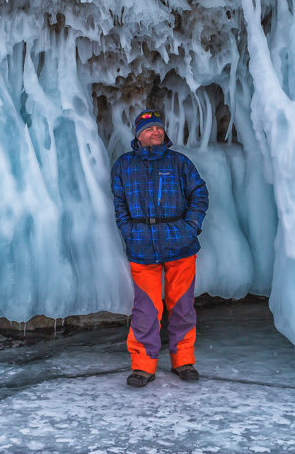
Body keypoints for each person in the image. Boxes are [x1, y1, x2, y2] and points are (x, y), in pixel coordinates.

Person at [111, 108, 209, 387]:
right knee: (146, 309)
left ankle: (184, 361)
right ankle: (143, 365)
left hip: (180, 244)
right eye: (149, 129)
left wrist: (190, 227)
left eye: (159, 128)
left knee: (182, 306)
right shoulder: (124, 165)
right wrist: (128, 230)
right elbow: (119, 204)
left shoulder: (180, 163)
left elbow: (199, 194)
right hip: (142, 246)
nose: (156, 132)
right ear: (138, 135)